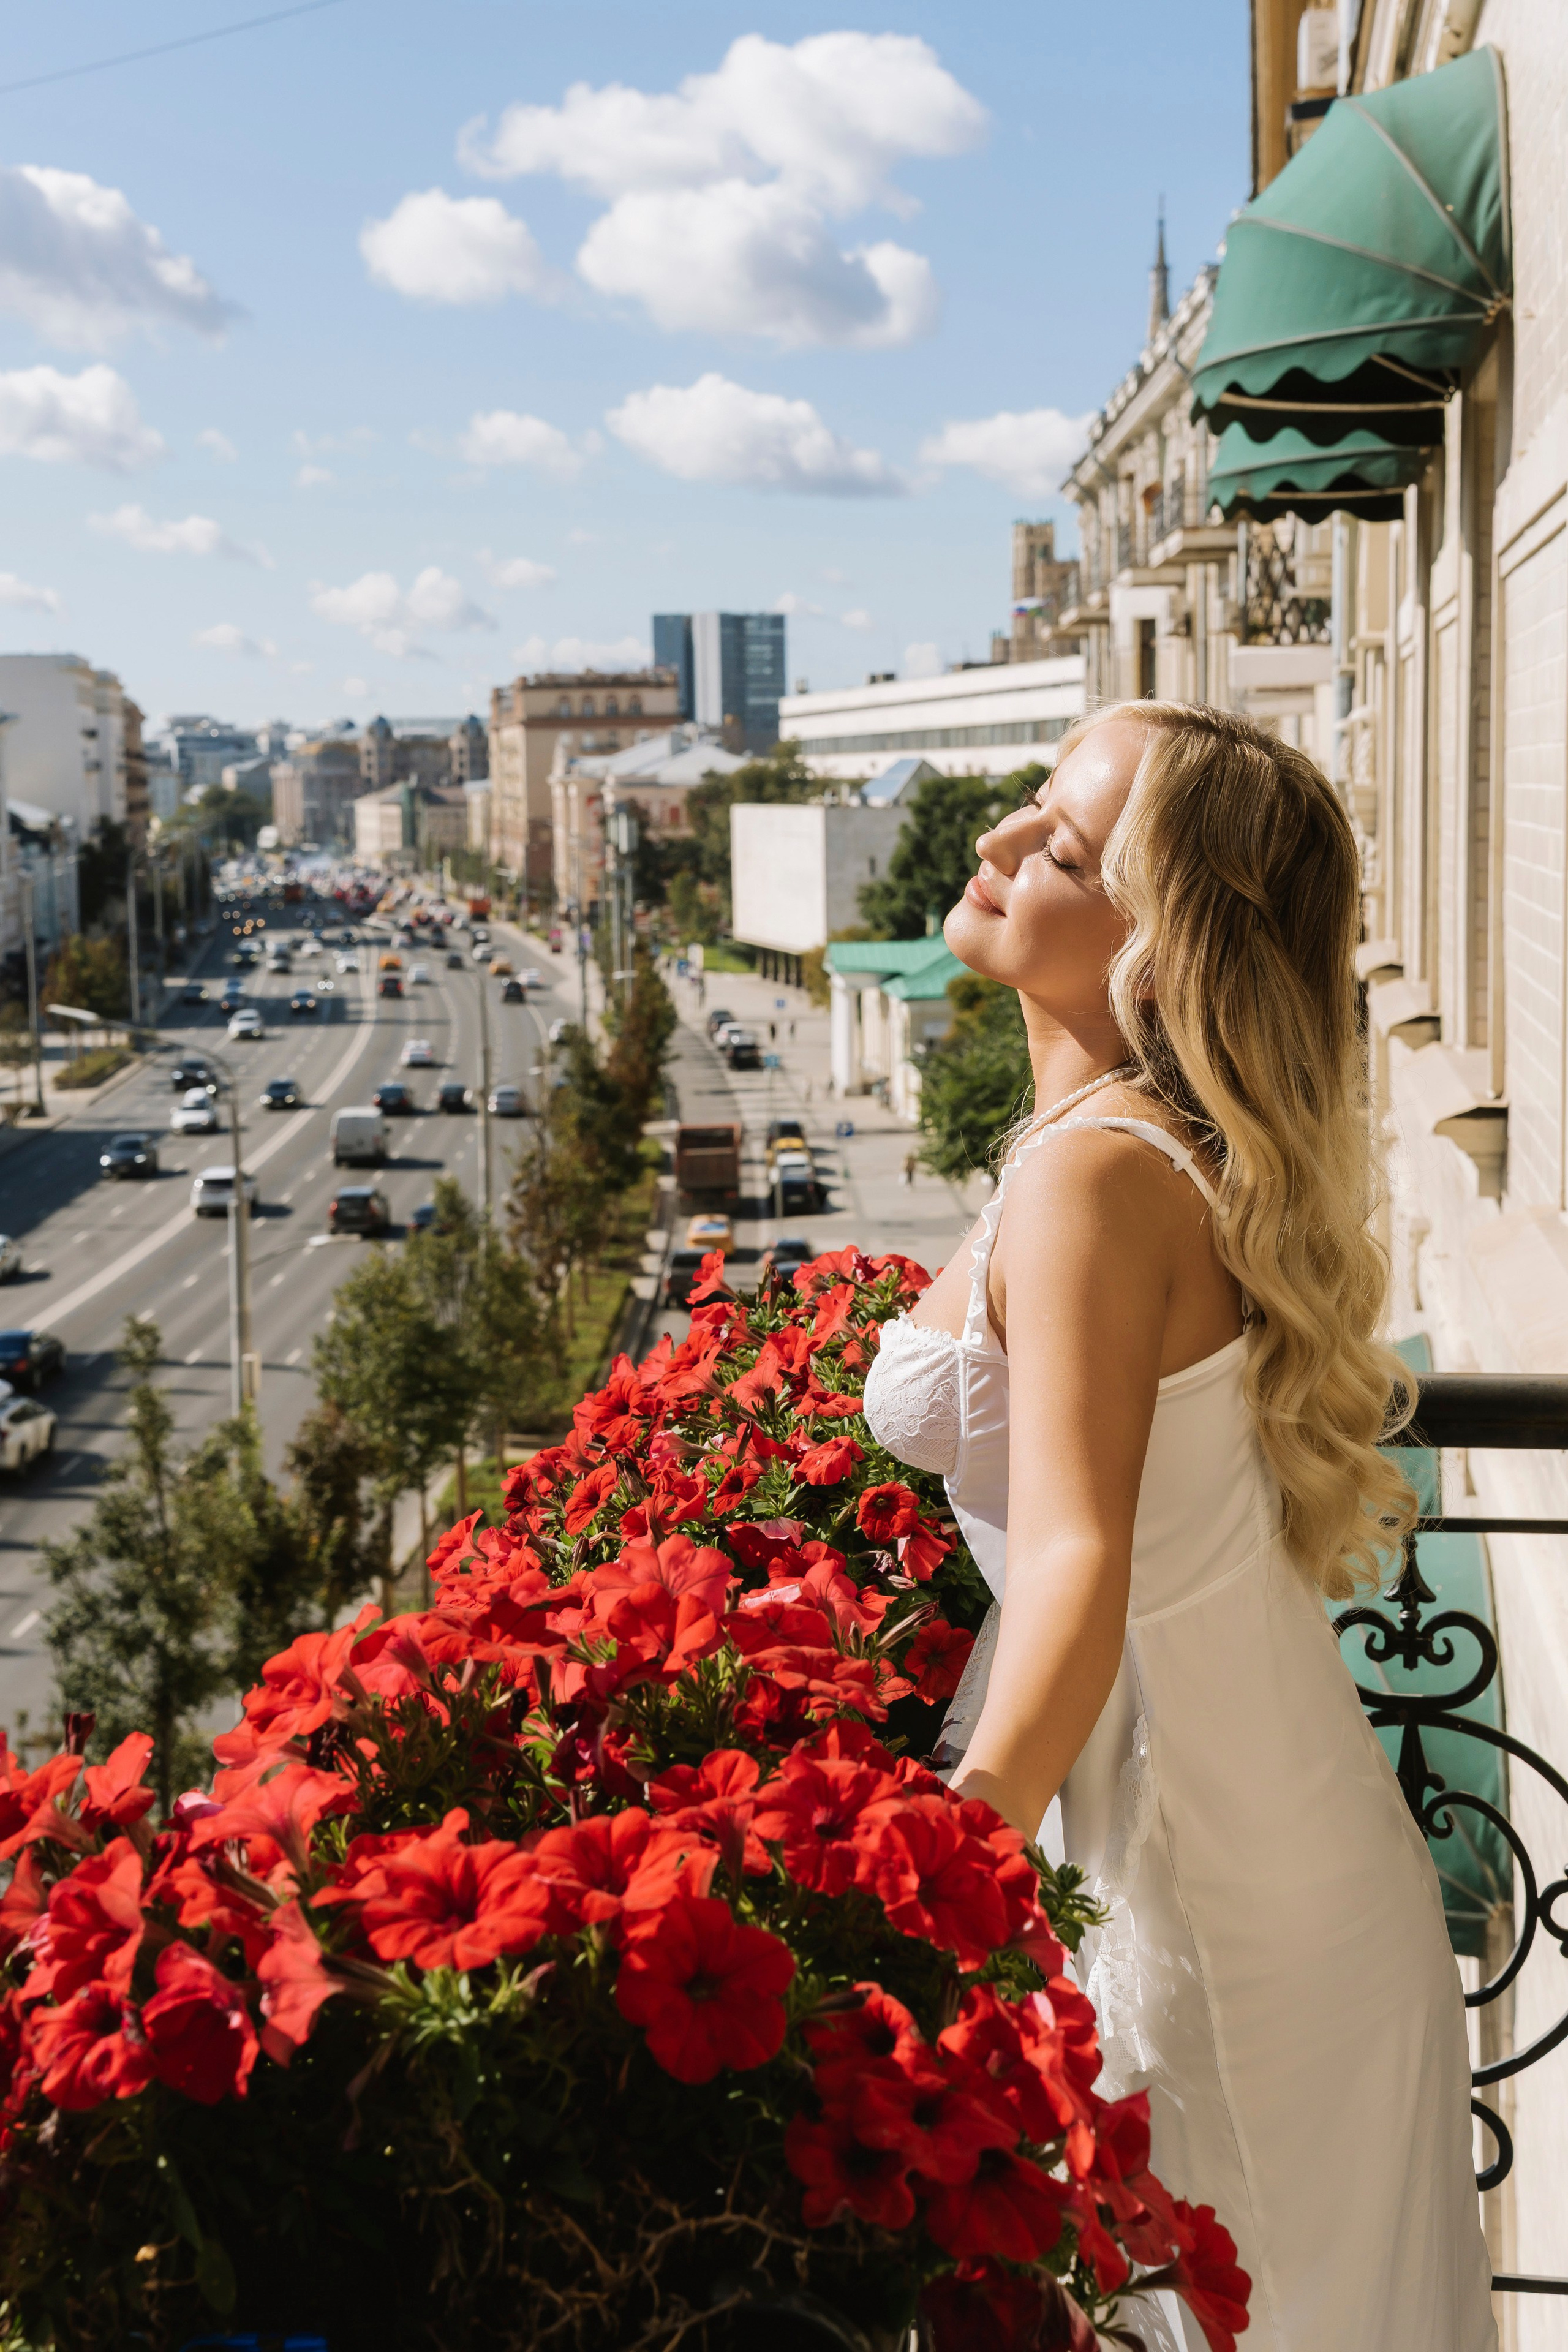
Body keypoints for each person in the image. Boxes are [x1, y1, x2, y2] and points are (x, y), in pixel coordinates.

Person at [861, 704, 1493, 2352]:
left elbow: (1081, 1559)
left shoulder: (1097, 1182)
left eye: (1061, 849)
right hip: (1254, 1836)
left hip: (1217, 1894)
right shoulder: (1103, 1148)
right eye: (1024, 810)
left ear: (1158, 950)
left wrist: (935, 1878)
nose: (996, 848)